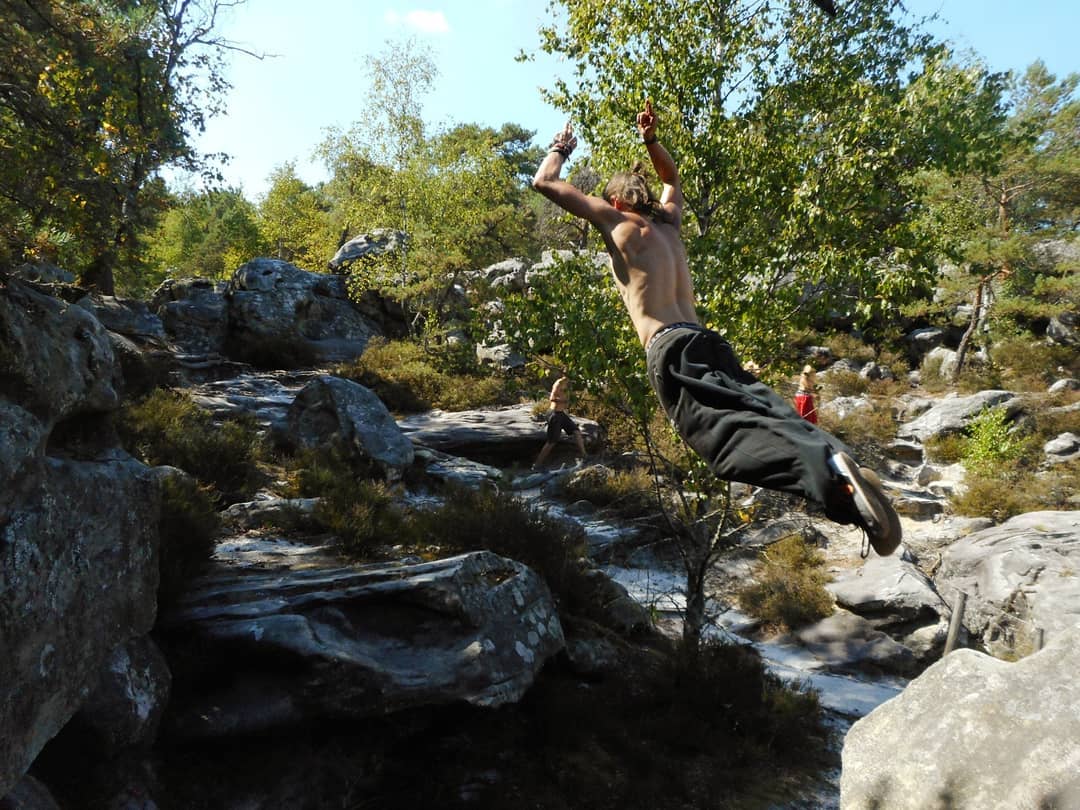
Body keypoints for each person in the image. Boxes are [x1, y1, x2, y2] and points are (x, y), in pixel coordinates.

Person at [530, 101, 901, 556]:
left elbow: (544, 182)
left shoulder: (618, 223)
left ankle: (827, 476)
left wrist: (560, 148)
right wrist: (650, 140)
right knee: (763, 411)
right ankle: (836, 462)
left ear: (614, 201)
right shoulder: (670, 224)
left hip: (669, 348)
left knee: (721, 443)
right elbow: (671, 178)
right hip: (708, 341)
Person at [533, 375, 587, 469]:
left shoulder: (568, 384)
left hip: (561, 414)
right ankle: (537, 464)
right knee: (552, 441)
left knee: (576, 431)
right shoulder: (559, 383)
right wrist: (564, 400)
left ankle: (585, 456)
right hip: (555, 414)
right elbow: (552, 398)